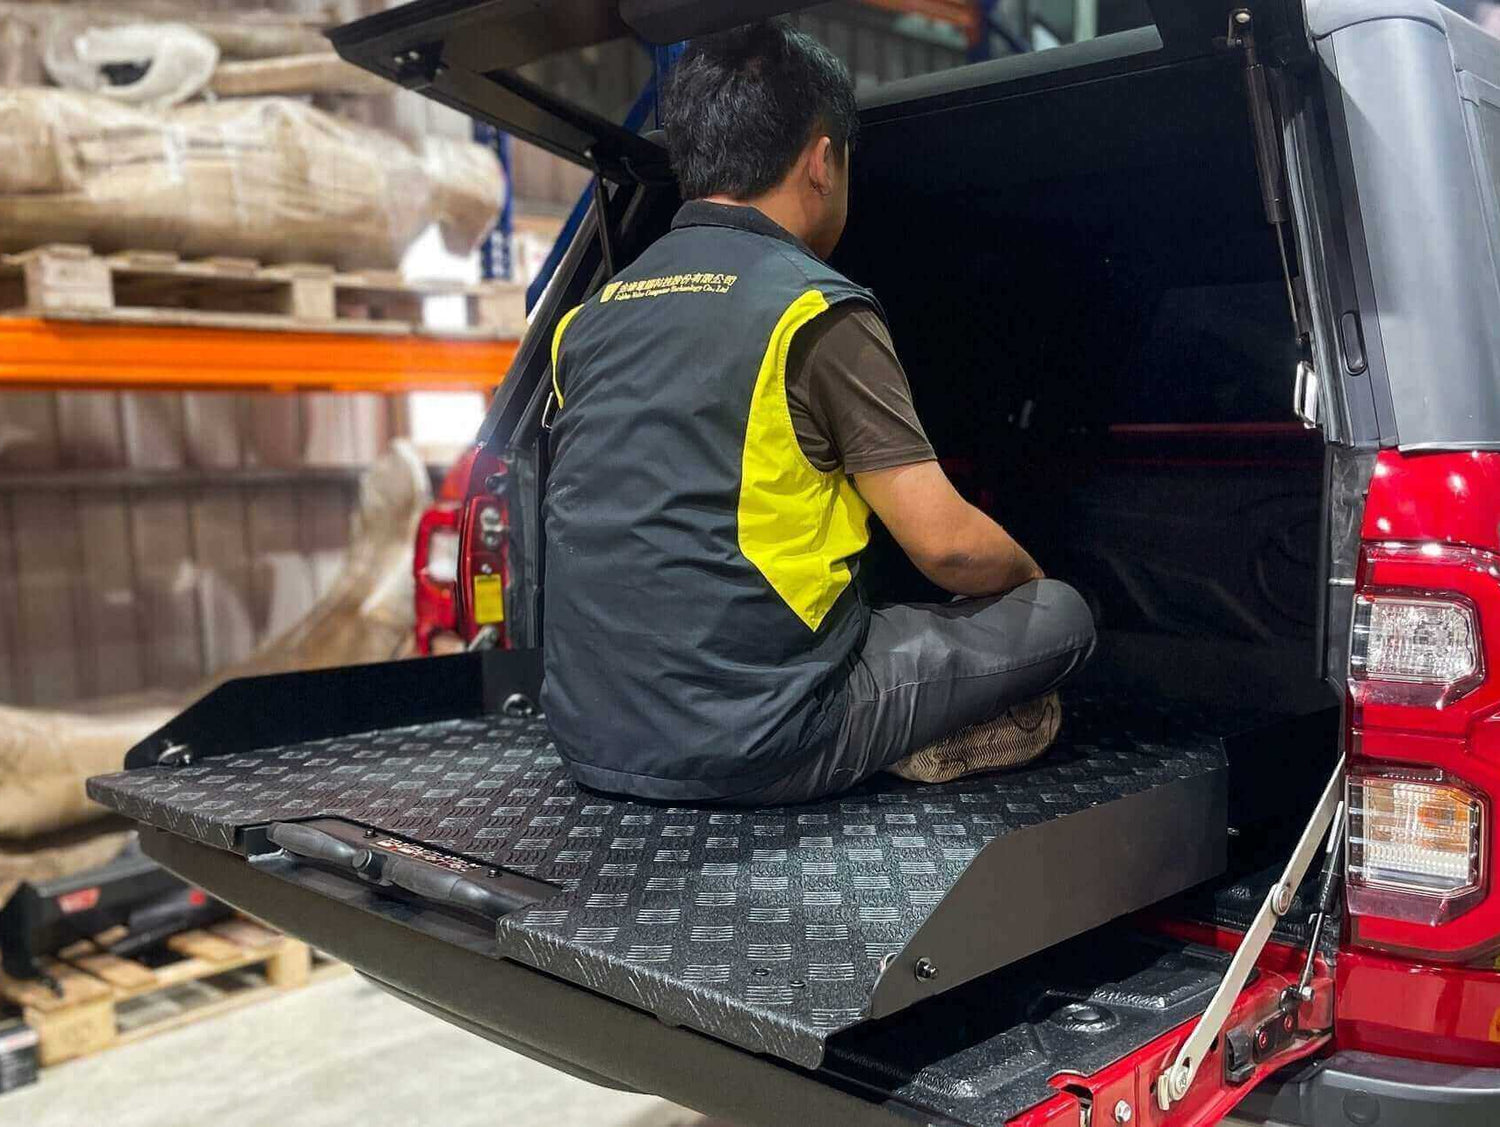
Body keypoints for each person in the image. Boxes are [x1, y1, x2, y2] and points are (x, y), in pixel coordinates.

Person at [541, 19, 1095, 804]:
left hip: (591, 737)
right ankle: (900, 738)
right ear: (822, 159)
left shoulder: (591, 316)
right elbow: (949, 548)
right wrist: (1028, 587)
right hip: (764, 740)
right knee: (1064, 618)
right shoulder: (813, 309)